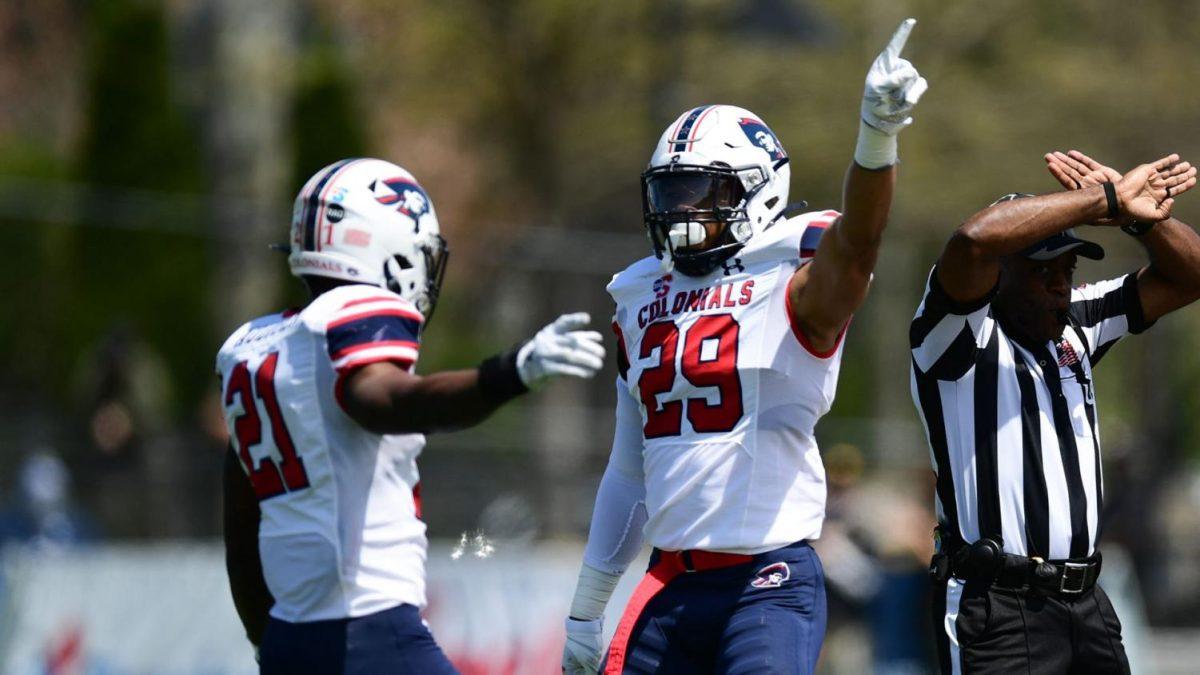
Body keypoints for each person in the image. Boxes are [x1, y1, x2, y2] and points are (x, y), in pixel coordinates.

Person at [562, 19, 928, 675]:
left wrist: (877, 138)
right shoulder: (641, 297)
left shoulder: (793, 278)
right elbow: (629, 470)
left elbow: (860, 241)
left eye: (704, 194)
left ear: (760, 192)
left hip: (768, 578)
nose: (681, 213)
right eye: (670, 194)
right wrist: (588, 606)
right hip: (668, 581)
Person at [218, 158, 605, 674]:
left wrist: (271, 647)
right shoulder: (350, 316)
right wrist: (507, 374)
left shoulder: (253, 350)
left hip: (290, 641)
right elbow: (387, 401)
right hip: (371, 632)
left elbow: (240, 526)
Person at [910, 149, 1200, 674]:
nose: (1060, 284)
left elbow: (1191, 276)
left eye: (1066, 269)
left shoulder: (1076, 325)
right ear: (997, 275)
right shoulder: (954, 337)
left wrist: (1137, 219)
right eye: (1042, 270)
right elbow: (972, 241)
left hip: (1088, 602)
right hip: (997, 605)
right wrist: (1103, 196)